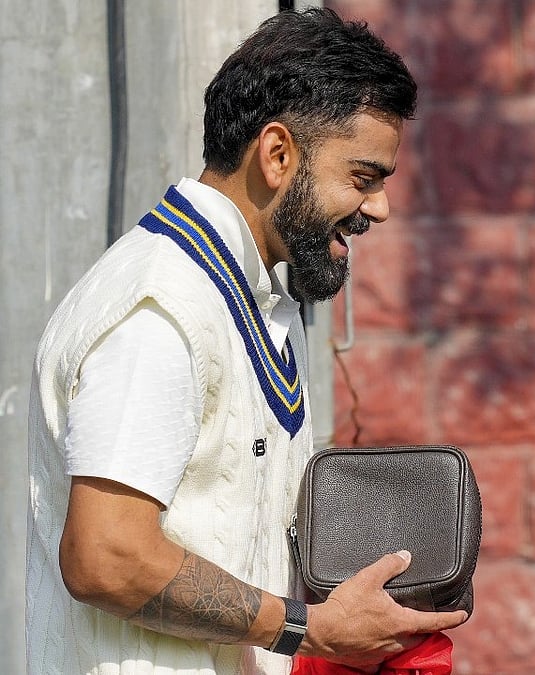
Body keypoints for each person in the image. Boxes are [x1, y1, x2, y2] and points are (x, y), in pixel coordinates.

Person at [26, 8, 466, 674]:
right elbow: (105, 555)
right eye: (363, 177)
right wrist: (308, 628)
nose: (378, 207)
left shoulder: (250, 296)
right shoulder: (160, 308)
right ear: (278, 154)